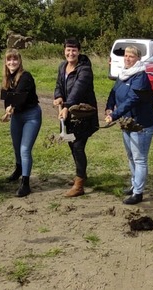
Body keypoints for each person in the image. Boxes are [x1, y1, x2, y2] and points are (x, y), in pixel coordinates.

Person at [105, 45, 153, 205]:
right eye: (126, 55)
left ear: (138, 59)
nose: (127, 58)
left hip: (141, 123)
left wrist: (114, 115)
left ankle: (138, 193)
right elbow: (114, 92)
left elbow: (132, 99)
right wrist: (109, 106)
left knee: (139, 158)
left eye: (131, 56)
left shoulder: (140, 76)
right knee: (130, 156)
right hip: (126, 122)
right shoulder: (123, 74)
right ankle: (134, 185)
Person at [53, 38, 99, 198]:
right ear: (64, 50)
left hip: (82, 114)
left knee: (78, 146)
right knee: (71, 144)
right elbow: (59, 84)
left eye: (74, 50)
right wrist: (58, 96)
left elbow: (78, 89)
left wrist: (66, 106)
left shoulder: (85, 69)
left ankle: (79, 184)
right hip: (68, 114)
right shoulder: (62, 66)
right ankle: (81, 175)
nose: (70, 53)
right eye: (68, 50)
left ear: (79, 51)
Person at [0, 49, 42, 197]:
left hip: (31, 115)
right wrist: (7, 109)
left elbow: (19, 97)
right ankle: (18, 169)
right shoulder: (7, 78)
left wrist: (10, 109)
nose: (12, 62)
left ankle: (25, 183)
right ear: (6, 62)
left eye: (15, 59)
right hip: (17, 117)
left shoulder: (26, 77)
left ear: (20, 61)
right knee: (16, 147)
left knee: (24, 149)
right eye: (9, 60)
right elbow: (6, 97)